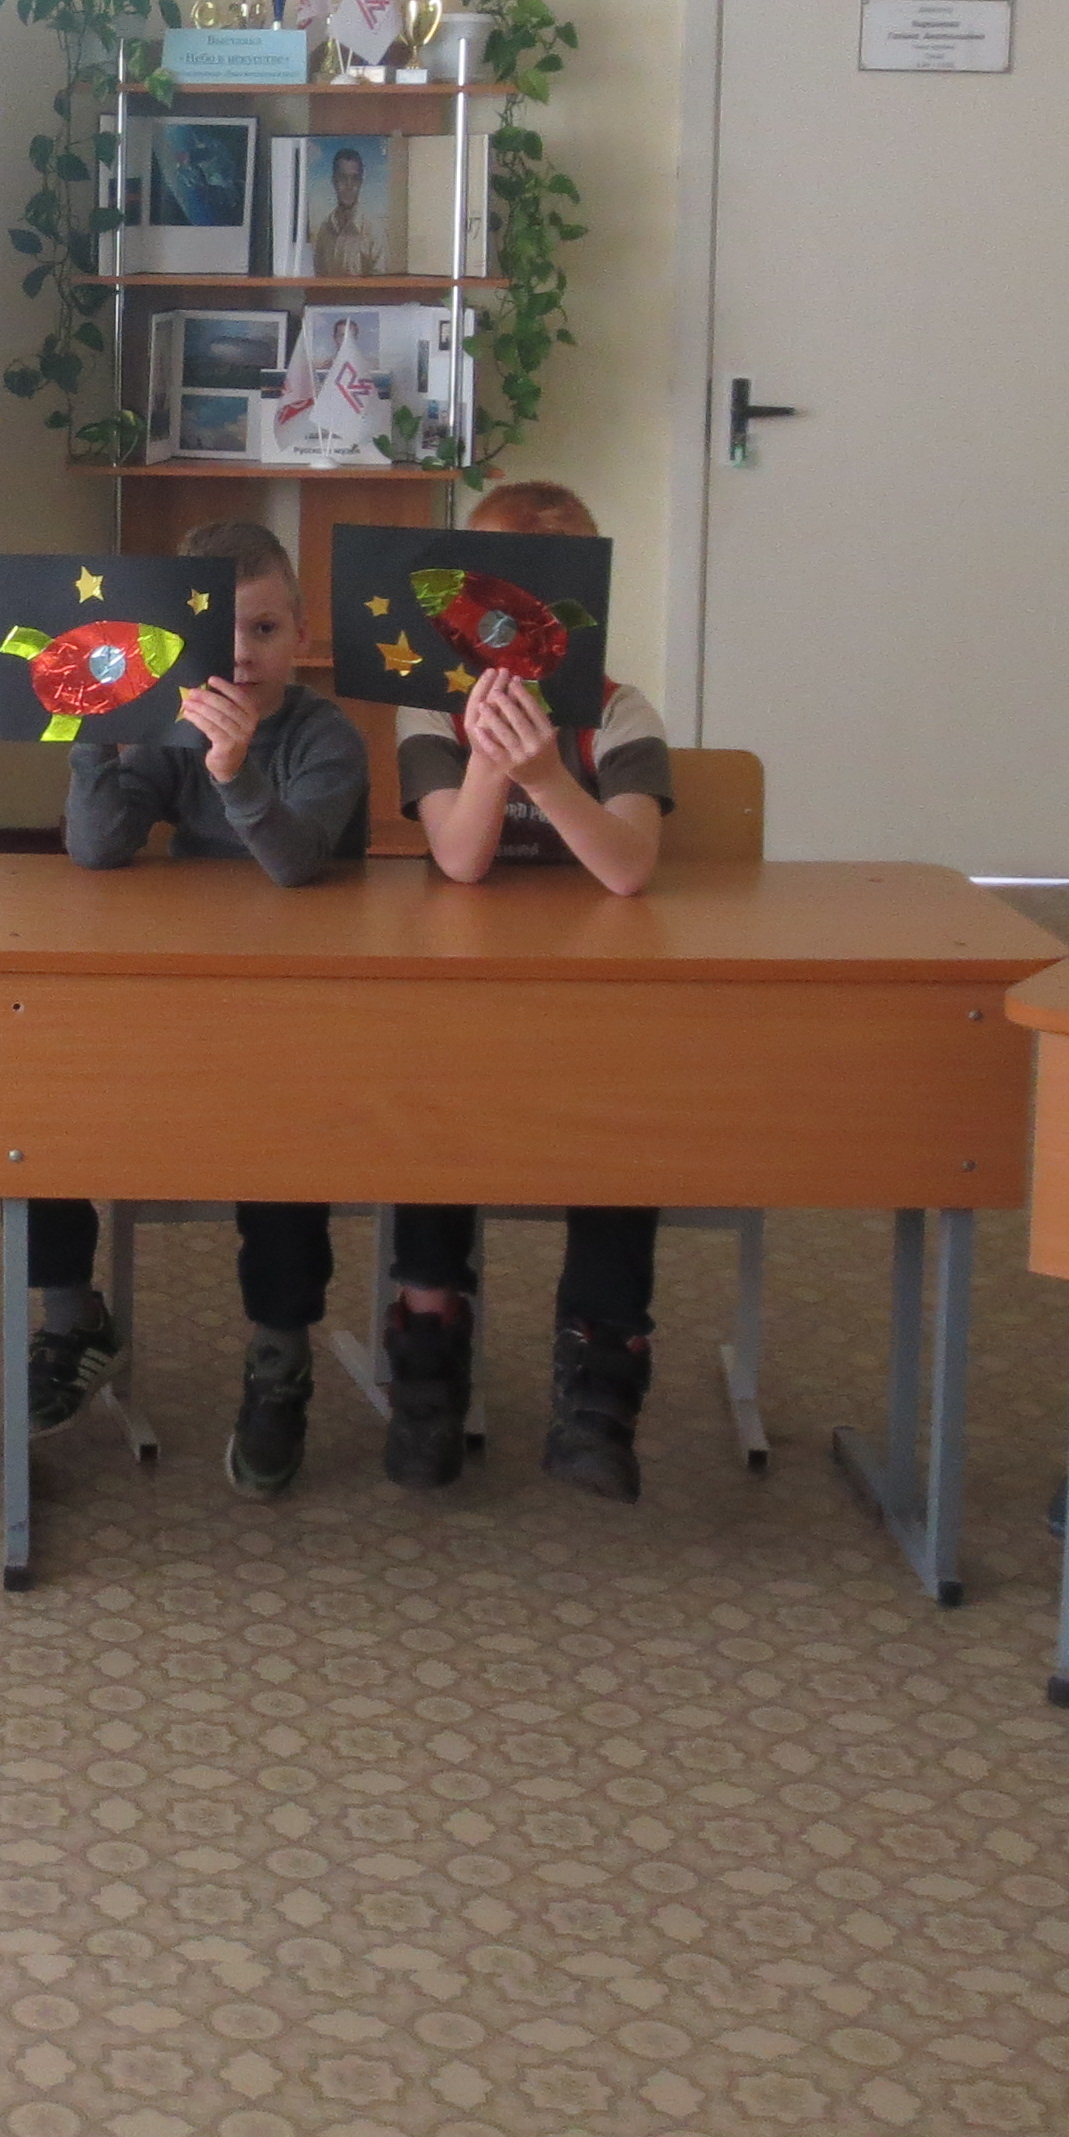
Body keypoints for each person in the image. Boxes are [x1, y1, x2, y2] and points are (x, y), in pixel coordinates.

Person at [31, 518, 369, 1498]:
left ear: (300, 636)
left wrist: (234, 772)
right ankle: (72, 1318)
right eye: (221, 634)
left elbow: (296, 863)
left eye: (264, 630)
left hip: (303, 1009)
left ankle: (280, 1351)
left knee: (282, 1148)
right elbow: (97, 847)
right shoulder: (173, 726)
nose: (242, 655)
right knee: (40, 1085)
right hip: (188, 993)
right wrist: (100, 741)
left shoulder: (325, 737)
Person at [382, 482, 674, 1496]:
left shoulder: (619, 712)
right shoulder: (432, 709)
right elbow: (460, 860)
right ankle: (430, 1330)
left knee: (621, 1112)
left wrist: (549, 772)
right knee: (429, 1101)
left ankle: (603, 1355)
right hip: (463, 992)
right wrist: (494, 757)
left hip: (594, 997)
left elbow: (628, 869)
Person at [308, 144, 386, 280]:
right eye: (343, 178)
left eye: (354, 179)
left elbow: (382, 283)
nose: (349, 186)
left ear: (361, 182)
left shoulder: (374, 231)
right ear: (334, 181)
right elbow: (318, 277)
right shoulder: (325, 229)